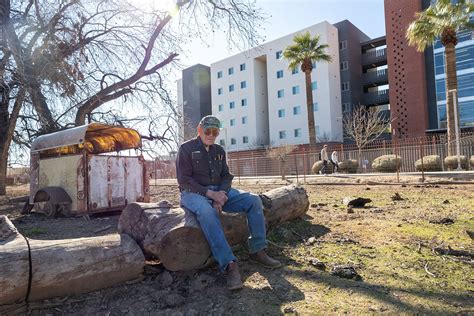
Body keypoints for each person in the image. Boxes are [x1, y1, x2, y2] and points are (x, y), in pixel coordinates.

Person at [176, 115, 281, 291]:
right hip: (193, 193)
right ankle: (229, 264)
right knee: (207, 212)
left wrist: (222, 194)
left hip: (219, 190)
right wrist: (211, 194)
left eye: (215, 132)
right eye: (207, 131)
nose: (211, 135)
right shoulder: (186, 149)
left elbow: (226, 176)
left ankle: (257, 249)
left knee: (253, 200)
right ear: (199, 130)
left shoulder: (219, 151)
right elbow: (183, 179)